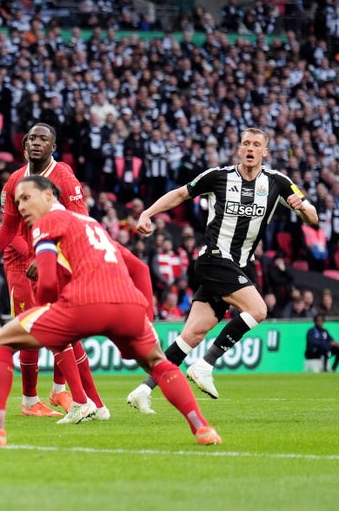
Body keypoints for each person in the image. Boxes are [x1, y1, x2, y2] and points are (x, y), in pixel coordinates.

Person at [0, 176, 221, 448]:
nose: (22, 206)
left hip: (84, 303)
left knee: (1, 339)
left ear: (50, 196)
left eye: (27, 198)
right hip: (128, 306)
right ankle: (201, 427)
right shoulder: (90, 223)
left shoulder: (46, 223)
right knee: (158, 364)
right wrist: (146, 318)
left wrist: (47, 310)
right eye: (17, 201)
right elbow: (139, 268)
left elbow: (48, 282)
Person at [127, 127, 319, 412]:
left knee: (191, 335)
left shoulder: (279, 183)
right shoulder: (218, 176)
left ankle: (143, 389)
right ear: (239, 149)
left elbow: (313, 217)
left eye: (256, 144)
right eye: (245, 143)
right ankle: (206, 364)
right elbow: (180, 194)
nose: (250, 148)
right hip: (214, 258)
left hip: (239, 265)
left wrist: (301, 208)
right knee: (258, 310)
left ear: (265, 151)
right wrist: (147, 213)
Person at [0, 122, 106, 420]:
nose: (36, 143)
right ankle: (31, 400)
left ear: (53, 147)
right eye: (31, 138)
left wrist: (49, 255)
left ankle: (63, 391)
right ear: (24, 145)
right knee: (34, 329)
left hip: (53, 257)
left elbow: (79, 222)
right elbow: (9, 230)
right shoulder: (15, 181)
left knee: (66, 327)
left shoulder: (64, 178)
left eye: (43, 139)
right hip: (21, 264)